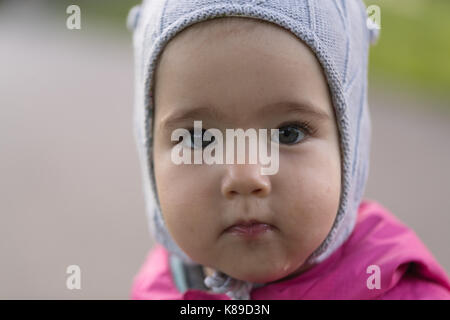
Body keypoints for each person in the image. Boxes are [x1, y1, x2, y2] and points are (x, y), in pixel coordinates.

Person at [126, 0, 450, 300]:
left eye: (288, 133)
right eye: (199, 139)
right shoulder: (159, 285)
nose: (245, 176)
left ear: (349, 149)